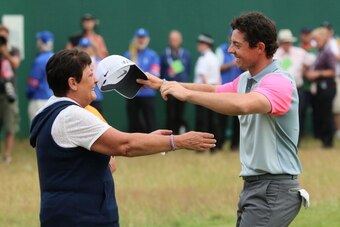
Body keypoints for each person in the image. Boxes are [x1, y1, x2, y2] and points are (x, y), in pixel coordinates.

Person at [138, 12, 306, 226]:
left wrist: (186, 94)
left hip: (274, 189)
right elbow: (214, 90)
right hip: (256, 186)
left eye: (237, 44)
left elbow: (241, 104)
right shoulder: (247, 79)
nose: (230, 50)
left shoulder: (279, 82)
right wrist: (163, 83)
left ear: (260, 48)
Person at [29, 48, 216, 226]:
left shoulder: (50, 110)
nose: (95, 81)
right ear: (73, 83)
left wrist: (149, 140)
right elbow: (124, 145)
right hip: (79, 216)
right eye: (90, 75)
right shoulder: (71, 115)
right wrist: (179, 141)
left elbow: (102, 156)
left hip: (70, 213)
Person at [274, 29, 315, 143]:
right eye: (284, 42)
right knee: (281, 114)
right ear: (280, 42)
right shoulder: (275, 54)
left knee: (299, 113)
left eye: (288, 42)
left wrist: (305, 70)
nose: (287, 44)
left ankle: (298, 139)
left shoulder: (299, 52)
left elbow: (312, 62)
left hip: (297, 88)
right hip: (280, 90)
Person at [305, 27, 337, 148]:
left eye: (316, 39)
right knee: (321, 113)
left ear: (323, 39)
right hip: (319, 86)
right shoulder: (319, 52)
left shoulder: (328, 52)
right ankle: (324, 139)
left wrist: (318, 74)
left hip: (327, 86)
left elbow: (333, 71)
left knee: (327, 113)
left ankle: (328, 140)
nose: (315, 42)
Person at [124, 28, 160, 133]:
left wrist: (141, 78)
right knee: (133, 123)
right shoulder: (128, 54)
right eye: (139, 38)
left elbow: (155, 74)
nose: (141, 40)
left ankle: (154, 146)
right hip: (132, 94)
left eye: (143, 38)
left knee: (150, 123)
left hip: (147, 93)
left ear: (147, 39)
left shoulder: (152, 55)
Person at [215, 29, 244, 150]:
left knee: (238, 120)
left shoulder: (244, 50)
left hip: (240, 90)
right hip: (224, 89)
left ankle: (235, 145)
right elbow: (218, 67)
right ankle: (219, 144)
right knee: (221, 118)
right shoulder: (221, 49)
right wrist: (232, 63)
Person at [194, 33, 222, 152]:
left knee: (202, 120)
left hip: (203, 93)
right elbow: (218, 78)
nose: (198, 45)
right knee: (212, 120)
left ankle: (201, 147)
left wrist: (204, 93)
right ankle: (214, 146)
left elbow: (204, 78)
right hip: (214, 92)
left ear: (206, 45)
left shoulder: (203, 58)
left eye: (201, 43)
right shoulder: (214, 58)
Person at [160, 30, 191, 134]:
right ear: (169, 41)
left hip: (182, 88)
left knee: (180, 114)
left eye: (176, 39)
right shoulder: (164, 54)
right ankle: (169, 135)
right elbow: (161, 72)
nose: (174, 42)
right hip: (169, 90)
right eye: (172, 39)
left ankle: (180, 134)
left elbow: (188, 70)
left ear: (180, 40)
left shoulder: (186, 54)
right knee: (170, 114)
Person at [0, 24, 21, 164]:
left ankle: (7, 155)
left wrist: (4, 52)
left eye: (4, 36)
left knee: (10, 126)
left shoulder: (13, 50)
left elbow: (15, 64)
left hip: (9, 94)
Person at [26, 31, 54, 123]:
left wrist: (29, 92)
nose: (37, 42)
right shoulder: (55, 57)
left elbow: (33, 82)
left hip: (39, 100)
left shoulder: (40, 60)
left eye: (39, 40)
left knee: (36, 132)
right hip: (53, 99)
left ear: (43, 43)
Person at [77, 37, 104, 113]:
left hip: (96, 97)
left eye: (87, 47)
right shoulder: (76, 64)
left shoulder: (99, 62)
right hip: (81, 97)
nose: (85, 49)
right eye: (83, 47)